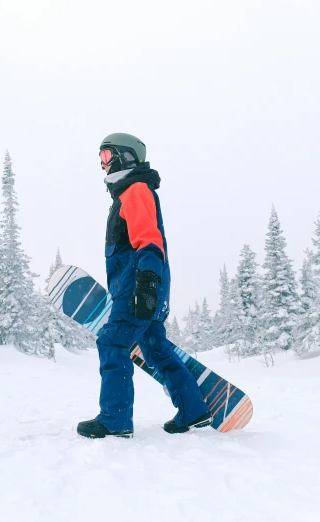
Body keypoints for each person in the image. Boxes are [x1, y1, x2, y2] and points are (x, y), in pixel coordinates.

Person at [77, 133, 212, 439]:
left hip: (137, 285)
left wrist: (146, 284)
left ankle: (115, 419)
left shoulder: (135, 190)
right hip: (145, 285)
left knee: (112, 341)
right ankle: (194, 410)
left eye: (107, 156)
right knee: (154, 348)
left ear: (125, 157)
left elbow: (149, 240)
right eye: (100, 158)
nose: (102, 164)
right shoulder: (130, 192)